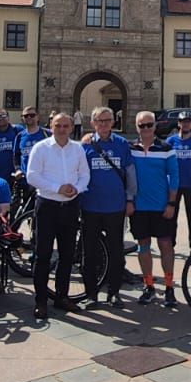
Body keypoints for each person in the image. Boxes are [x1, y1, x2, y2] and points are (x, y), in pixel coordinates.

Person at [25, 112, 89, 319]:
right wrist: (57, 188)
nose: (62, 129)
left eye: (65, 126)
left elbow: (85, 174)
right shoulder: (41, 148)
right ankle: (41, 301)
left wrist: (76, 189)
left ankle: (62, 297)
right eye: (58, 126)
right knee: (42, 255)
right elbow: (32, 175)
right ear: (51, 126)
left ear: (71, 128)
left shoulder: (78, 149)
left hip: (70, 206)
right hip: (47, 206)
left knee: (67, 254)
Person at [81, 106, 135, 308]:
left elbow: (130, 174)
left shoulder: (121, 144)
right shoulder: (85, 146)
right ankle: (91, 294)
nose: (103, 124)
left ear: (113, 122)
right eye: (99, 121)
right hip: (90, 206)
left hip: (115, 206)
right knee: (90, 253)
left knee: (116, 251)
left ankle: (114, 292)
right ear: (93, 123)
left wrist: (130, 199)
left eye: (107, 120)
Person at [130, 111, 180, 307]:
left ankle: (169, 287)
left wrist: (171, 203)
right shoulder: (131, 148)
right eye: (142, 126)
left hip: (161, 207)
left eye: (149, 125)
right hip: (139, 207)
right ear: (136, 127)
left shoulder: (166, 148)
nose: (146, 129)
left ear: (155, 126)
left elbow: (175, 177)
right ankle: (149, 285)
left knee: (166, 246)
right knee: (143, 246)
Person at [166, 112, 191, 247]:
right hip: (174, 185)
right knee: (172, 215)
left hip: (190, 183)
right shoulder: (171, 141)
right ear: (178, 123)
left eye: (188, 122)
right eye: (183, 121)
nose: (185, 124)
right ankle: (171, 242)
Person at [15, 106, 49, 173]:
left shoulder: (48, 134)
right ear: (22, 118)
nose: (29, 117)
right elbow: (16, 155)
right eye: (26, 116)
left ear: (38, 117)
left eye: (32, 115)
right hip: (25, 179)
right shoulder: (20, 136)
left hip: (44, 178)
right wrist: (18, 170)